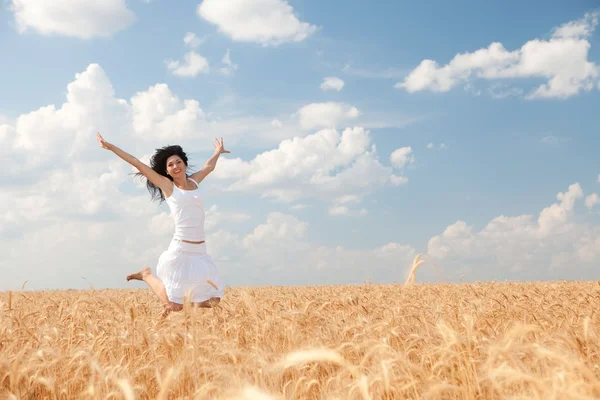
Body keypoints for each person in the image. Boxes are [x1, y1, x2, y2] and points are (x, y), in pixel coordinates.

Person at [96, 132, 229, 316]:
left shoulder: (194, 182)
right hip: (181, 249)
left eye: (178, 162)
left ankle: (181, 304)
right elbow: (137, 163)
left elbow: (209, 167)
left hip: (200, 252)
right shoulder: (168, 186)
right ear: (166, 171)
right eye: (170, 165)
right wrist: (111, 147)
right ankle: (147, 275)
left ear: (185, 164)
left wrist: (218, 151)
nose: (175, 166)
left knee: (214, 300)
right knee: (175, 306)